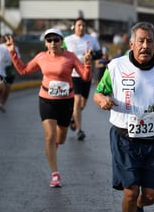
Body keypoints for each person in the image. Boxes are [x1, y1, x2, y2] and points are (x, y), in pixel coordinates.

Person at [93, 22, 154, 212]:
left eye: (149, 41)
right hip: (124, 137)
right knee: (130, 191)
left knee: (151, 195)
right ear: (132, 43)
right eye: (141, 40)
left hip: (153, 139)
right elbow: (98, 93)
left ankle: (140, 207)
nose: (145, 45)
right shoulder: (116, 66)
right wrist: (103, 100)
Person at [5, 28, 92, 187]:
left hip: (66, 101)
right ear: (45, 43)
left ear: (61, 41)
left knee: (61, 138)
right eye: (49, 40)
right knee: (50, 135)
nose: (53, 43)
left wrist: (87, 63)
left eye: (56, 40)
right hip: (46, 100)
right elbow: (23, 70)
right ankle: (55, 174)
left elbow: (85, 77)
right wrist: (13, 52)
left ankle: (55, 144)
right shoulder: (41, 57)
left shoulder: (70, 57)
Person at [63, 17, 101, 140]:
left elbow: (99, 53)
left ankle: (73, 119)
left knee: (82, 104)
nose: (81, 27)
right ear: (74, 27)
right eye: (79, 25)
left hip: (87, 74)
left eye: (83, 25)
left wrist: (91, 55)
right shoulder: (67, 40)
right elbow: (61, 53)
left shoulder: (91, 39)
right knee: (77, 101)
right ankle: (80, 130)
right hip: (73, 74)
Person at [0, 34, 21, 113]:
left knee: (7, 90)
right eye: (9, 39)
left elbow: (17, 60)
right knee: (1, 87)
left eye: (13, 40)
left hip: (9, 71)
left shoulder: (15, 49)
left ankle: (1, 105)